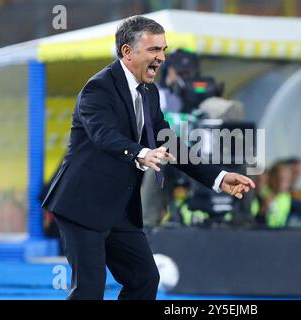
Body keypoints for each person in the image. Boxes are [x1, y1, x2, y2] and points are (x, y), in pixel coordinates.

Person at [41, 16, 255, 300]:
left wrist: (218, 177)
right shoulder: (97, 89)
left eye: (163, 49)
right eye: (154, 49)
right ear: (127, 52)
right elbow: (104, 135)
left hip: (119, 209)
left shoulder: (149, 93)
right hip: (83, 205)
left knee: (144, 279)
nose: (162, 58)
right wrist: (141, 152)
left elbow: (170, 143)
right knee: (90, 290)